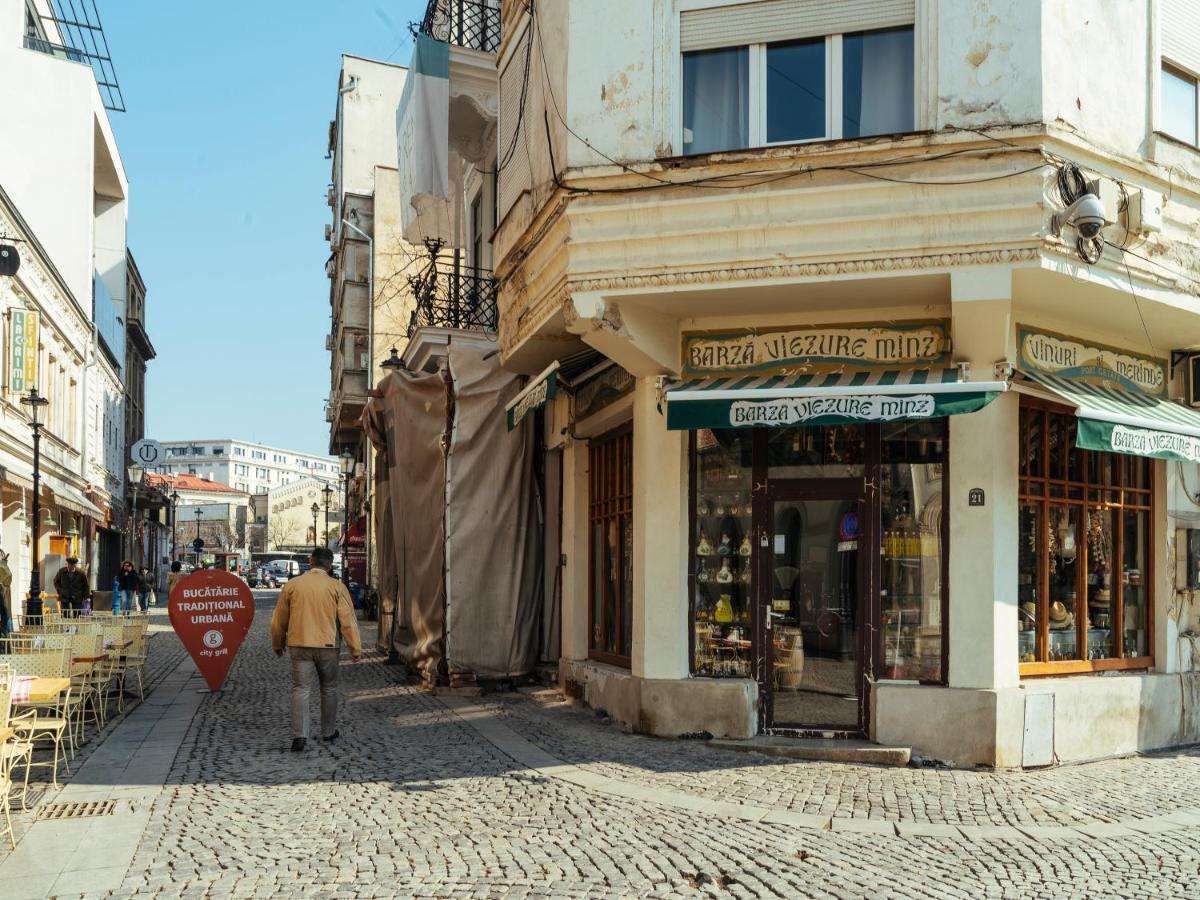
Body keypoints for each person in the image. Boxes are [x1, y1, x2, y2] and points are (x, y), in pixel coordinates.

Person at [270, 546, 361, 752]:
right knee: (329, 688)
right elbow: (348, 621)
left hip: (299, 644)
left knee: (300, 688)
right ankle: (328, 731)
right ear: (329, 566)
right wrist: (355, 648)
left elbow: (279, 619)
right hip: (328, 646)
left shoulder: (292, 586)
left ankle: (299, 735)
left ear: (310, 562)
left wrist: (277, 643)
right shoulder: (336, 587)